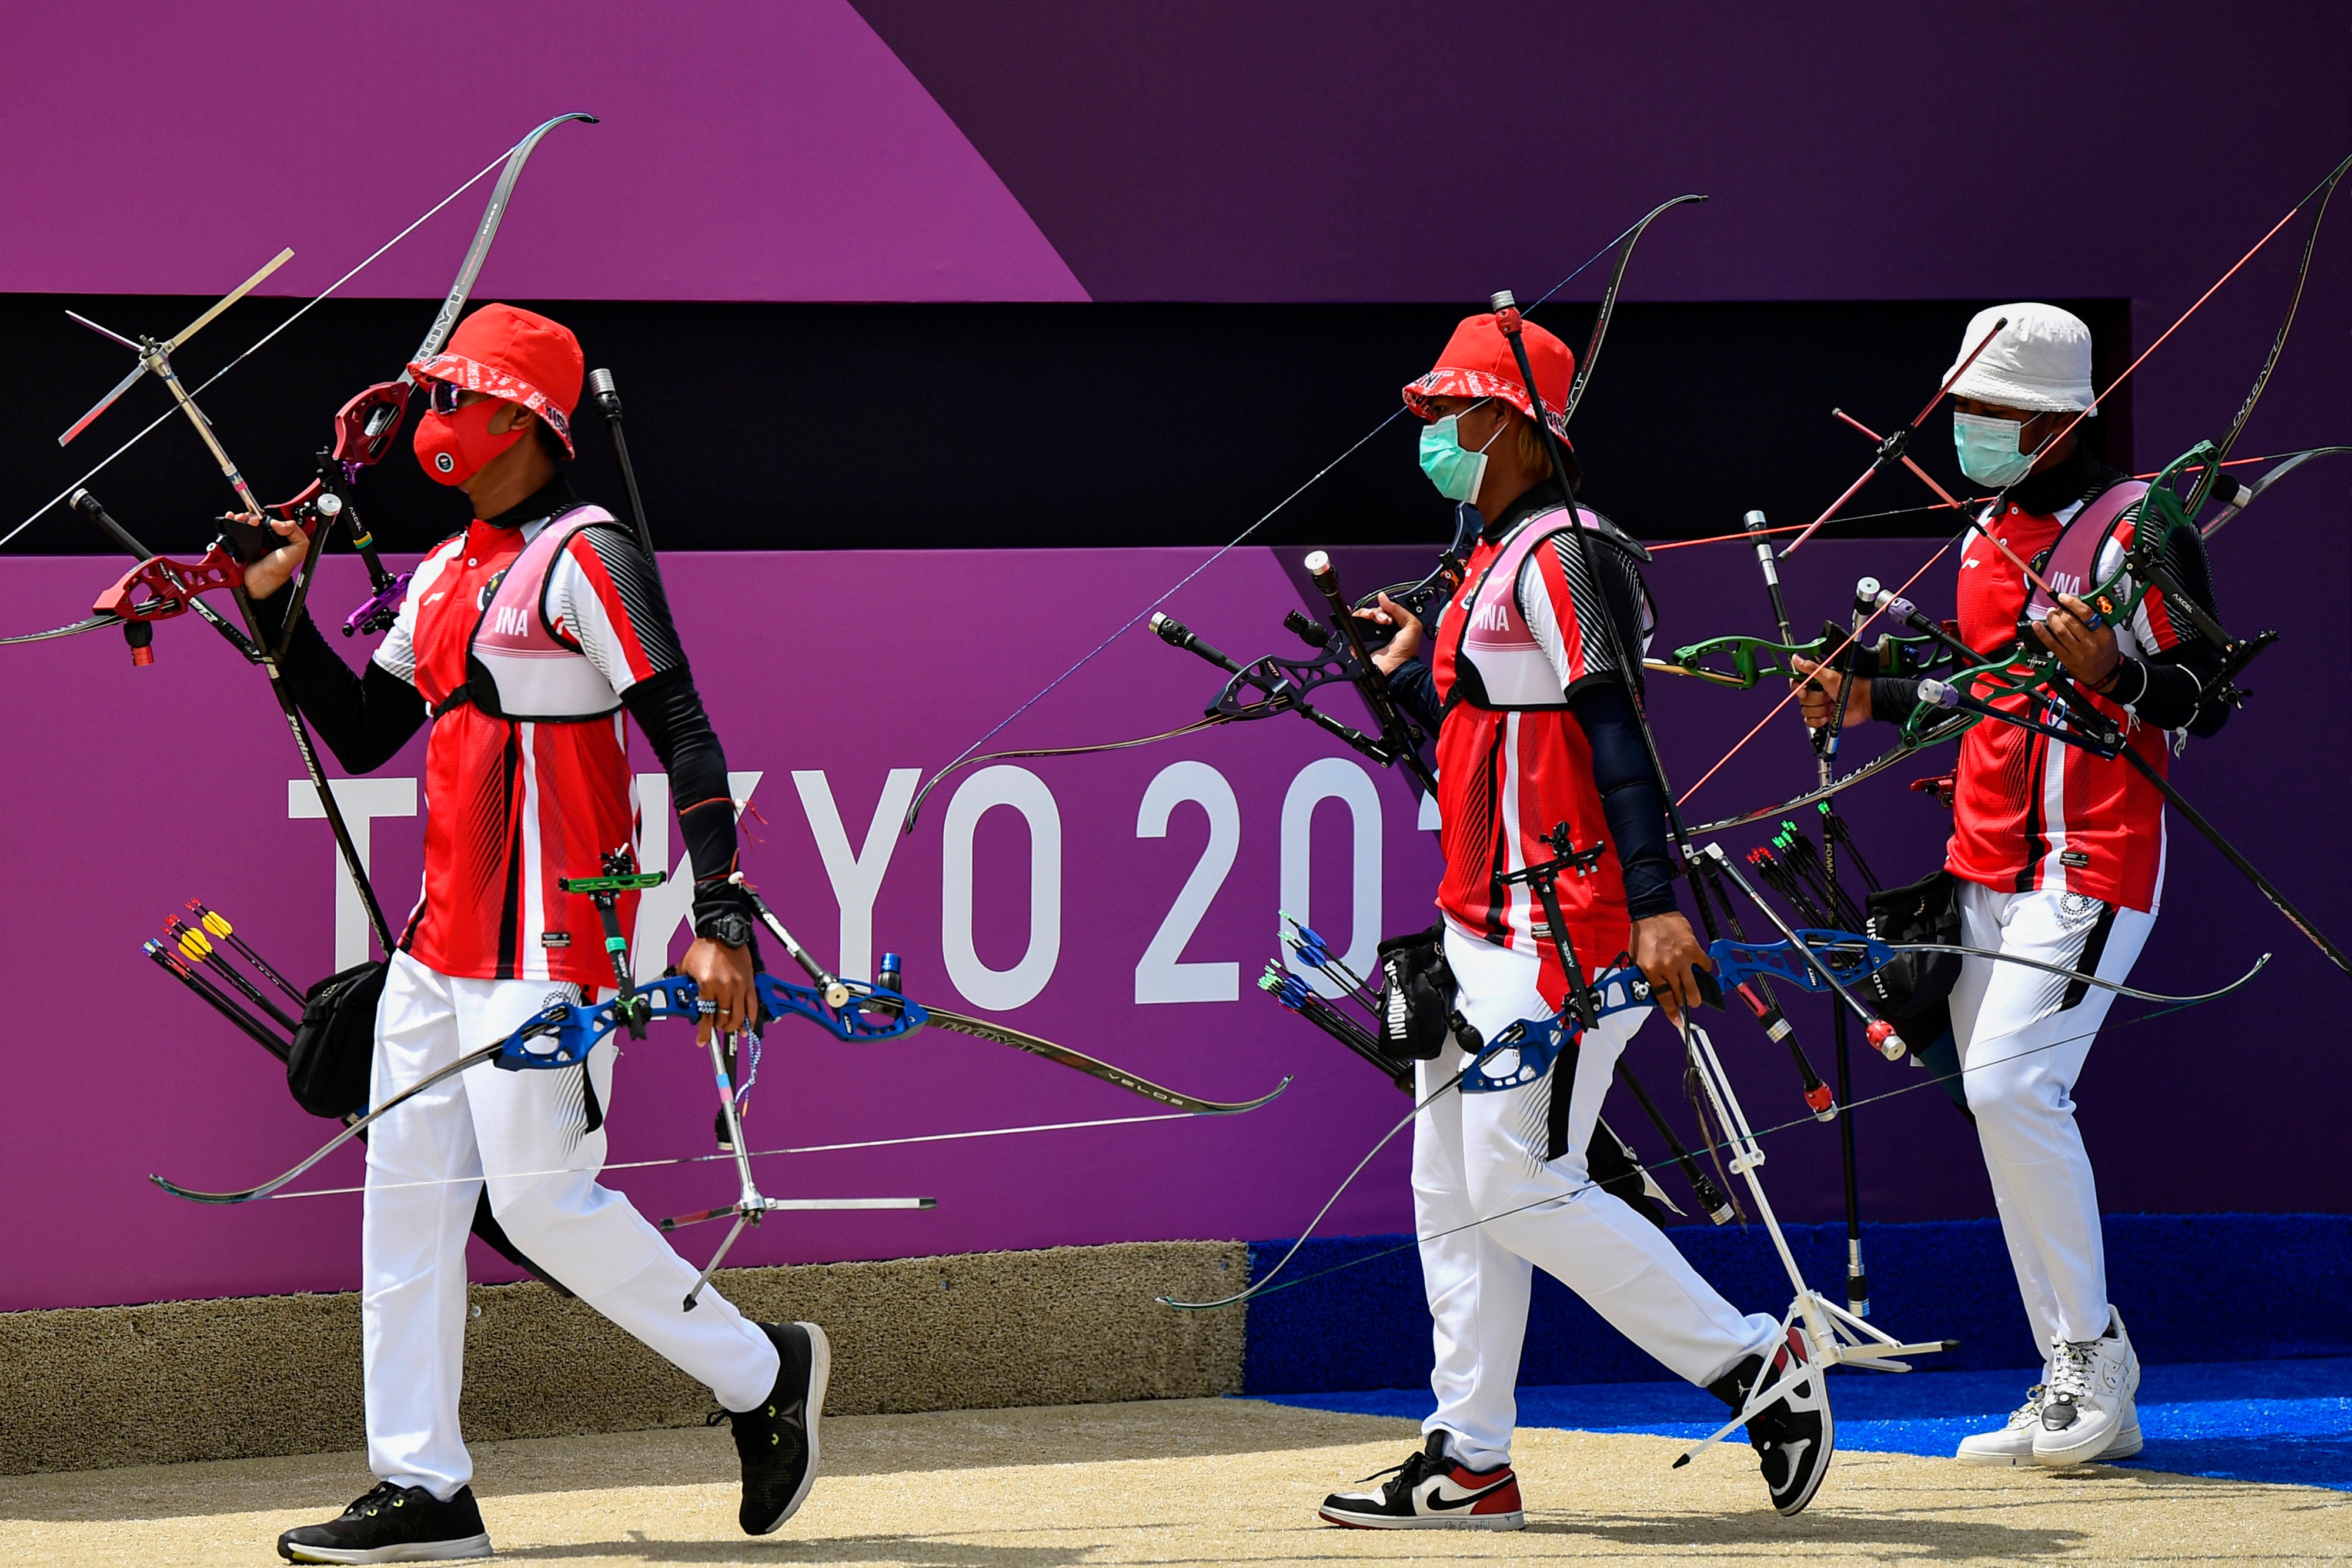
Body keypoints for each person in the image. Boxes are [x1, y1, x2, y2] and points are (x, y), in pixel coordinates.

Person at [237, 305, 827, 1563]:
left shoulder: (589, 554)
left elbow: (685, 728)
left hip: (555, 950)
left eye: (453, 399)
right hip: (432, 951)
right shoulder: (448, 568)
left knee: (546, 1207)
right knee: (404, 1212)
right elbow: (362, 730)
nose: (430, 424)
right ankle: (423, 1488)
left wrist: (718, 909)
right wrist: (270, 602)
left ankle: (759, 1369)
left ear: (522, 420)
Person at [1317, 313, 1832, 1530]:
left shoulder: (1569, 555)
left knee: (1515, 1180)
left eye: (1451, 411)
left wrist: (1654, 907)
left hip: (1564, 925)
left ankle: (1757, 1365)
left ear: (1505, 421)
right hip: (1476, 923)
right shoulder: (1495, 561)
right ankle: (1467, 1456)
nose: (1433, 431)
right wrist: (1413, 659)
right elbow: (1497, 714)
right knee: (1450, 1186)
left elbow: (1616, 730)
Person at [1794, 303, 2226, 1469]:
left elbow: (2207, 694)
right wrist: (1865, 693)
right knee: (1997, 1104)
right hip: (1980, 859)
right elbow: (1972, 683)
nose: (1964, 429)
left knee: (2010, 1084)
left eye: (1987, 412)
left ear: (2052, 417)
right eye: (1963, 407)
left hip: (2089, 855)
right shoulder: (1988, 528)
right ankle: (2074, 1380)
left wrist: (2122, 674)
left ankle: (2091, 1352)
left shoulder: (2141, 525)